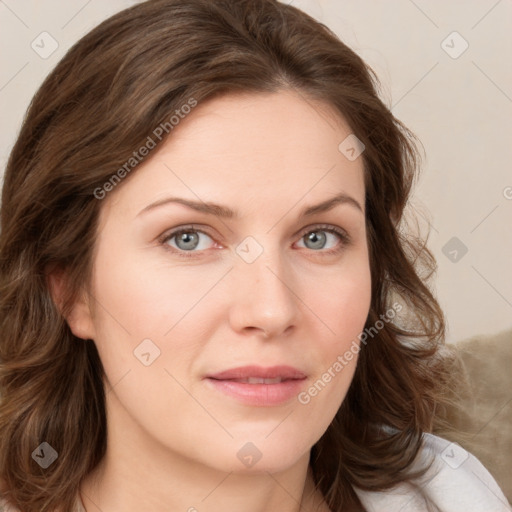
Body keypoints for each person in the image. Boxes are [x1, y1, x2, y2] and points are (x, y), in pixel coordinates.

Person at [0, 1, 509, 511]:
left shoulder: (456, 496)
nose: (272, 311)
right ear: (68, 290)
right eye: (188, 238)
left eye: (318, 237)